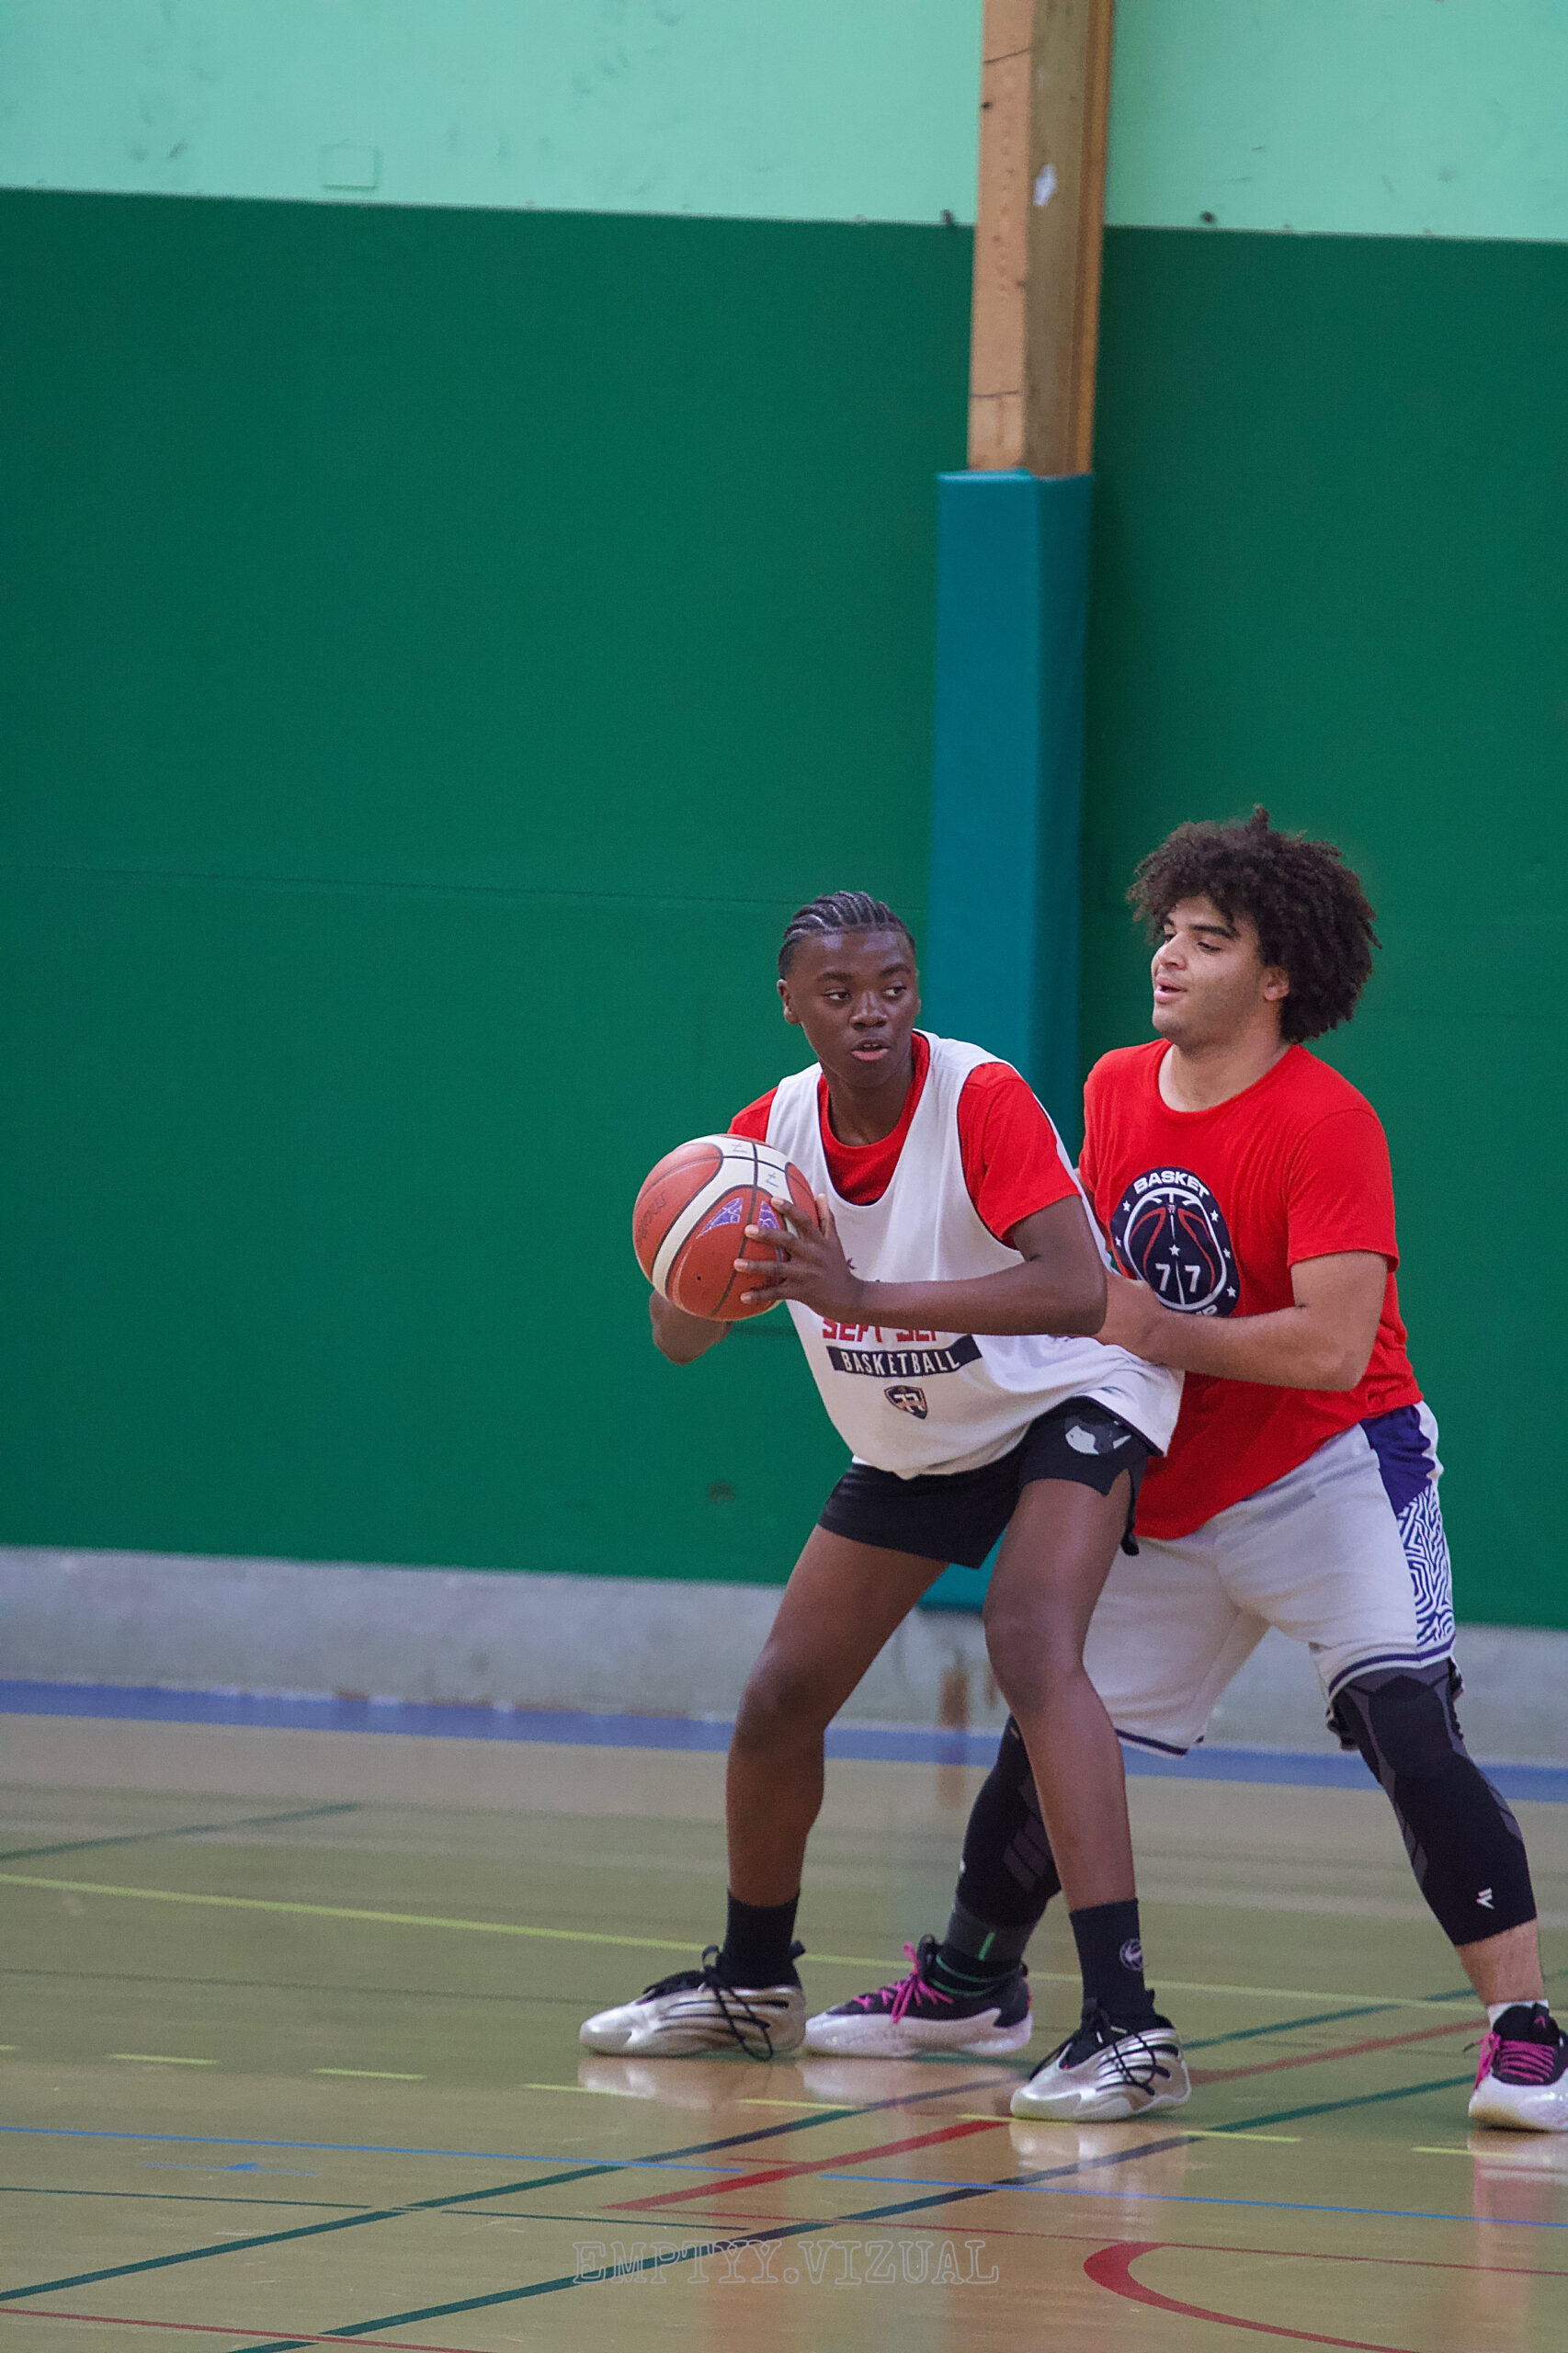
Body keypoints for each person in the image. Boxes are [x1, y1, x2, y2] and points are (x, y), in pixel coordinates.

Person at [810, 813, 1566, 2134]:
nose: (1167, 956)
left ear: (1276, 977)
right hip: (1176, 1477)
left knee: (1403, 1719)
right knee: (1054, 1715)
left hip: (1334, 1469)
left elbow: (1332, 1347)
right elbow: (1079, 1286)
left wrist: (1161, 1331)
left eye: (1207, 942)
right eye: (1167, 930)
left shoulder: (1327, 1121)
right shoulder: (1113, 1087)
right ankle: (972, 1986)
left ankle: (1525, 2033)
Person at [580, 889, 1187, 2113]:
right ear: (791, 1005)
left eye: (892, 986)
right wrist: (708, 1266)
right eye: (841, 992)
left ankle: (1127, 2026)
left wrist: (859, 1295)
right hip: (925, 1435)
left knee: (1028, 1638)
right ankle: (755, 1982)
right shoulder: (766, 1141)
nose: (872, 1012)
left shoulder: (978, 1097)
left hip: (1069, 1390)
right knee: (779, 1697)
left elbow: (1076, 1291)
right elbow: (676, 1339)